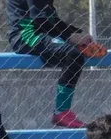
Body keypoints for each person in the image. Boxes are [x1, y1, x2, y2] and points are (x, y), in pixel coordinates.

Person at [6, 0, 105, 128]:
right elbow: (41, 20)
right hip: (25, 36)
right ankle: (61, 112)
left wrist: (79, 34)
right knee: (73, 55)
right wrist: (70, 36)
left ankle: (63, 112)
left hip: (41, 33)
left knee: (74, 52)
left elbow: (51, 20)